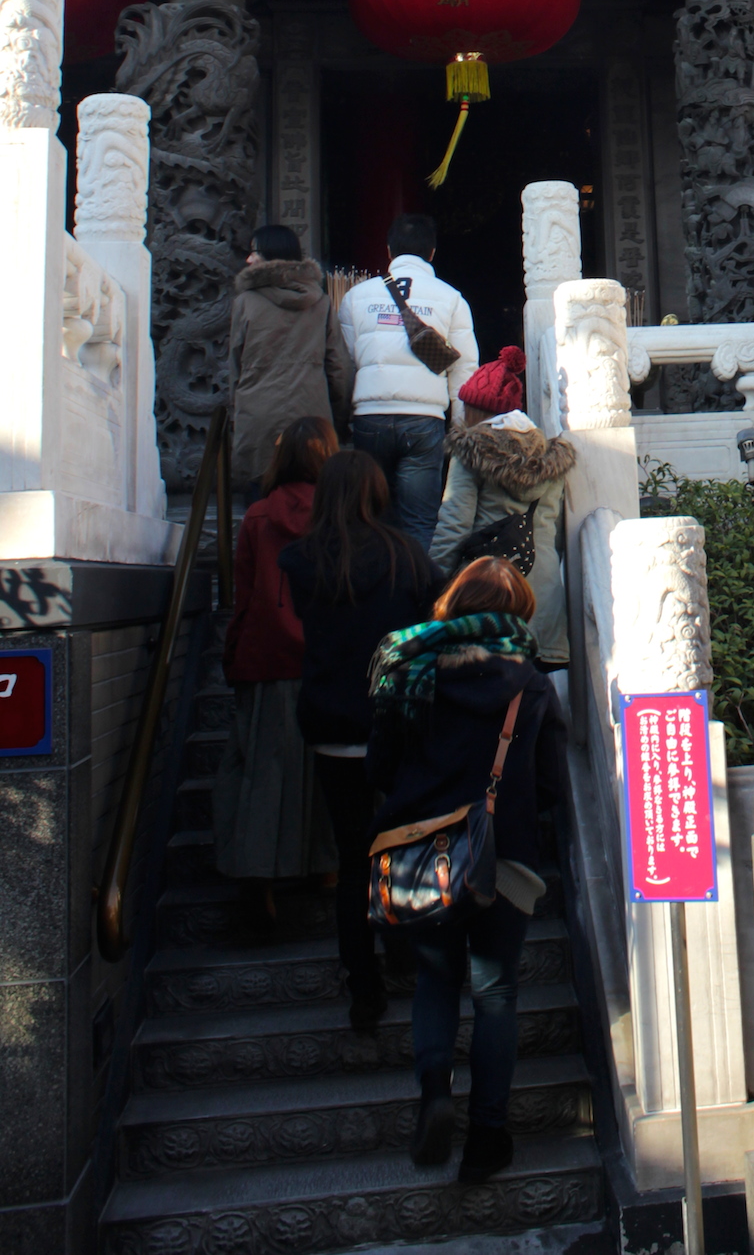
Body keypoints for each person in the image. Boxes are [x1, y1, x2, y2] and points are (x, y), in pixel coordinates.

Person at [368, 555, 565, 1180]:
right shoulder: (532, 684)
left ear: (453, 603)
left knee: (435, 981)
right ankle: (487, 1137)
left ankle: (434, 1094)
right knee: (495, 993)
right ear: (519, 614)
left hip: (426, 858)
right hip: (502, 859)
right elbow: (553, 784)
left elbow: (379, 767)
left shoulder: (411, 670)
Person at [281, 449, 441, 1027]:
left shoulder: (301, 560)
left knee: (352, 859)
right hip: (397, 721)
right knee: (403, 842)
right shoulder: (406, 556)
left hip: (331, 723)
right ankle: (404, 950)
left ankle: (363, 989)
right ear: (378, 492)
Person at [213, 416, 340, 931]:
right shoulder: (339, 516)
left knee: (261, 772)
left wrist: (234, 654)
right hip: (325, 659)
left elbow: (243, 595)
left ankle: (257, 876)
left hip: (266, 657)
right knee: (327, 769)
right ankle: (327, 866)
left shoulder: (258, 516)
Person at [339, 214, 478, 549]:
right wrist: (460, 427)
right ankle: (417, 582)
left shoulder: (356, 296)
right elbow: (464, 368)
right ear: (432, 253)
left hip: (370, 417)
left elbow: (347, 361)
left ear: (389, 251)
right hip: (423, 420)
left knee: (371, 517)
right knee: (420, 521)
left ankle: (377, 580)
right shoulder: (452, 298)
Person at [430, 352, 573, 672]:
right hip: (542, 592)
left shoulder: (470, 449)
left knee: (486, 687)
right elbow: (556, 535)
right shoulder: (550, 456)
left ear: (474, 408)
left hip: (487, 589)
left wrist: (435, 583)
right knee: (534, 688)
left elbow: (454, 525)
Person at [229, 224, 353, 499]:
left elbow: (235, 368)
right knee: (311, 504)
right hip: (312, 419)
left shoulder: (245, 302)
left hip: (258, 418)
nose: (249, 259)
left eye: (254, 252)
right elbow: (339, 368)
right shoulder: (321, 302)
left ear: (271, 254)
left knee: (262, 505)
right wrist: (337, 419)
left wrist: (237, 414)